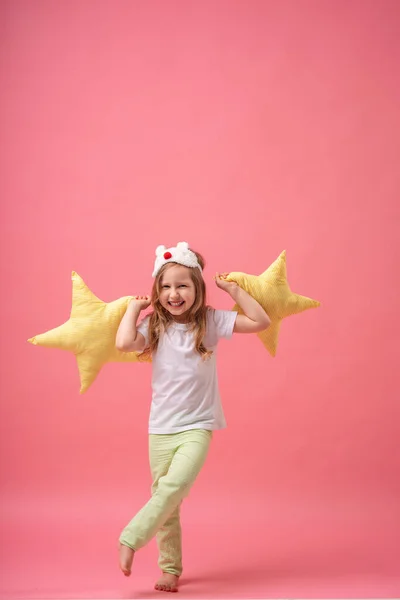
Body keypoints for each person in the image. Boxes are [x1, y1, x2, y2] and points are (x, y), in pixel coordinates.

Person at [115, 241, 271, 592]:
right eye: (166, 286)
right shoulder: (154, 325)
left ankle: (130, 538)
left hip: (197, 426)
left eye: (183, 285)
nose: (174, 293)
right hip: (160, 428)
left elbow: (260, 321)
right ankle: (170, 569)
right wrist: (132, 310)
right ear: (157, 292)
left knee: (174, 487)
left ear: (198, 289)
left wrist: (233, 290)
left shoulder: (211, 321)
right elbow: (124, 344)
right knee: (166, 503)